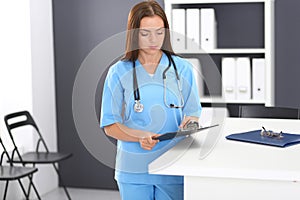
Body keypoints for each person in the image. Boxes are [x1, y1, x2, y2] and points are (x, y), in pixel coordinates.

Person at [100, 1, 202, 199]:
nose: (153, 40)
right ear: (133, 34)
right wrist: (138, 136)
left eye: (159, 32)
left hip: (173, 166)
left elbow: (193, 113)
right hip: (133, 169)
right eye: (145, 33)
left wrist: (191, 124)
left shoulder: (183, 68)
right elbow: (109, 125)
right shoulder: (118, 72)